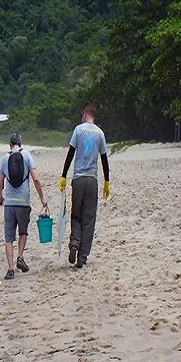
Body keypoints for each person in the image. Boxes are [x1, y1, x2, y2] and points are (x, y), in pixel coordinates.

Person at [59, 103, 110, 268]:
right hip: (92, 180)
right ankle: (82, 257)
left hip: (79, 179)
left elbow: (70, 153)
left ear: (86, 113)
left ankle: (74, 243)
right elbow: (104, 159)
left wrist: (63, 175)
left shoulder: (78, 130)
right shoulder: (100, 133)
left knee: (76, 214)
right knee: (89, 219)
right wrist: (106, 181)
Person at [0, 133, 48, 280]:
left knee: (8, 236)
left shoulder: (4, 158)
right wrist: (42, 198)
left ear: (9, 144)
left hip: (10, 203)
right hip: (23, 201)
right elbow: (36, 179)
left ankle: (10, 269)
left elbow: (0, 183)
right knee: (23, 232)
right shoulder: (27, 156)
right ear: (21, 143)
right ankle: (20, 256)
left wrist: (1, 198)